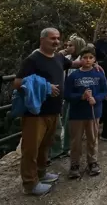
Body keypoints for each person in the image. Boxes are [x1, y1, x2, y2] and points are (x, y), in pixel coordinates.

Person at [14, 28, 80, 196]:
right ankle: (30, 183)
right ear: (42, 40)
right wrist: (46, 86)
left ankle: (41, 174)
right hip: (36, 113)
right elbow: (18, 82)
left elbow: (72, 64)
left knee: (45, 145)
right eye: (52, 38)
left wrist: (91, 64)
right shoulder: (33, 59)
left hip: (53, 110)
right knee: (31, 148)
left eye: (58, 38)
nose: (56, 41)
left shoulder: (58, 57)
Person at [64, 48, 107, 179]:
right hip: (77, 114)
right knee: (75, 141)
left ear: (94, 60)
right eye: (84, 57)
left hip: (93, 112)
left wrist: (97, 98)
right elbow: (67, 94)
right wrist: (80, 97)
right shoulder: (73, 76)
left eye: (90, 58)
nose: (87, 60)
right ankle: (74, 164)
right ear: (80, 59)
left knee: (92, 138)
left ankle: (92, 162)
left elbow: (105, 91)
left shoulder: (99, 74)